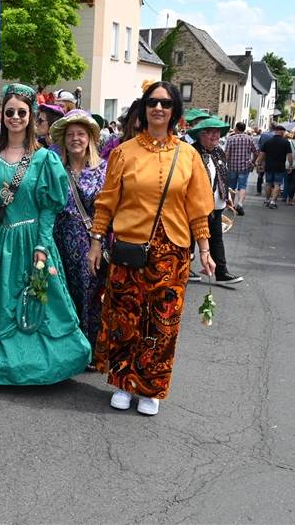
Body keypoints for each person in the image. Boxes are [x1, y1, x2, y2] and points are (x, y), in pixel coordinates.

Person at [87, 81, 214, 416]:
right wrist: (96, 242)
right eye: (153, 103)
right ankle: (122, 383)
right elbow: (106, 203)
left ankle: (151, 387)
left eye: (166, 104)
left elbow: (198, 207)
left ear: (175, 112)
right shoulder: (123, 153)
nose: (159, 109)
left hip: (172, 250)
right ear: (143, 109)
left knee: (163, 322)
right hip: (130, 246)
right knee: (124, 316)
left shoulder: (187, 156)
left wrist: (205, 250)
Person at [0, 84, 91, 385]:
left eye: (22, 112)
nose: (15, 117)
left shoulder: (45, 159)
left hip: (33, 239)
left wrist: (44, 245)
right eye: (10, 112)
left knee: (36, 302)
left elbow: (49, 208)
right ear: (1, 115)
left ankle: (40, 368)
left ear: (31, 116)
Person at [50, 109, 108, 351]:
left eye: (81, 134)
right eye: (70, 134)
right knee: (63, 295)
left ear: (90, 139)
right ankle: (68, 349)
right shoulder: (54, 168)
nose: (75, 138)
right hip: (58, 241)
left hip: (90, 242)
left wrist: (97, 241)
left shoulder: (103, 169)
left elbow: (108, 209)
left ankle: (90, 348)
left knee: (90, 296)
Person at [189, 116, 243, 285]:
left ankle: (221, 272)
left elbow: (222, 174)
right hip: (197, 205)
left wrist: (226, 195)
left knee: (216, 239)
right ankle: (185, 268)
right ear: (200, 134)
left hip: (217, 204)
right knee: (190, 239)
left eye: (217, 132)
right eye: (210, 132)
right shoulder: (192, 152)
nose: (214, 136)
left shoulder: (219, 151)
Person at [224, 121, 258, 216]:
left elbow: (226, 154)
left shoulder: (231, 139)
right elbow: (256, 152)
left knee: (231, 186)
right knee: (242, 186)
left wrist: (224, 164)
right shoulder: (249, 139)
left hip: (232, 166)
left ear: (236, 128)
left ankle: (231, 205)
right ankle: (240, 204)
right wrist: (253, 161)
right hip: (244, 166)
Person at [256, 124, 292, 209]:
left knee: (268, 183)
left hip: (269, 165)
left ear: (275, 131)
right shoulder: (286, 142)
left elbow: (262, 154)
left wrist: (259, 164)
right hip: (280, 166)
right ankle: (273, 201)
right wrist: (290, 165)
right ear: (282, 132)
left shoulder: (268, 142)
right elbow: (290, 156)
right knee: (277, 184)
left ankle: (267, 199)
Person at [254, 122, 275, 194]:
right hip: (272, 158)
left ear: (270, 126)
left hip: (262, 157)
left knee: (260, 174)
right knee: (270, 175)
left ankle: (258, 191)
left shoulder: (264, 135)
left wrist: (258, 158)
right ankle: (270, 191)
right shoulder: (276, 136)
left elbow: (259, 146)